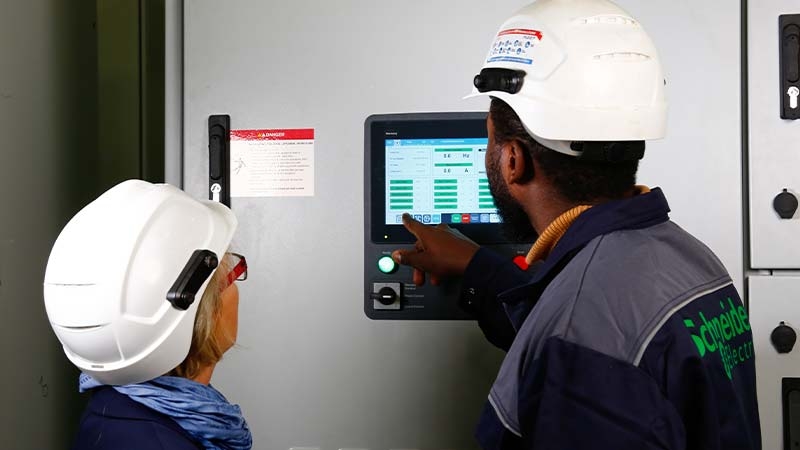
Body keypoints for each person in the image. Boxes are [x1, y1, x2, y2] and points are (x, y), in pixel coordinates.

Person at [391, 0, 761, 449]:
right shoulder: (691, 260)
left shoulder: (578, 327)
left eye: (489, 141)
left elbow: (580, 341)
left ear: (513, 160)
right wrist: (477, 268)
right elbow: (607, 338)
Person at [43, 179, 252, 450]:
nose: (237, 285)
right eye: (231, 274)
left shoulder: (114, 411)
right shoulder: (162, 440)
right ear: (200, 310)